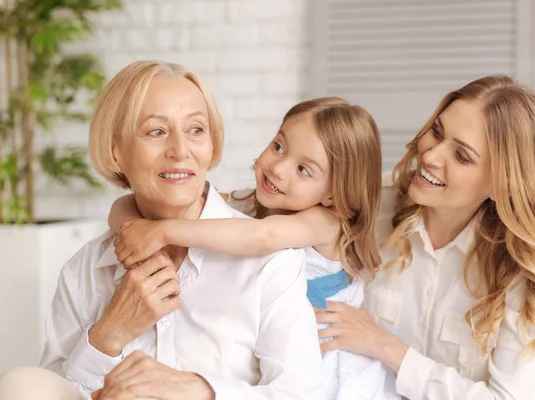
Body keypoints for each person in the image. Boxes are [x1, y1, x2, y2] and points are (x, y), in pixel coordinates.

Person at [0, 60, 324, 400]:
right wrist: (107, 336)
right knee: (21, 385)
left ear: (212, 143)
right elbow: (53, 391)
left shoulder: (270, 263)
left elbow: (302, 394)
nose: (180, 151)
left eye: (196, 130)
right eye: (156, 132)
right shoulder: (85, 270)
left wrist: (199, 390)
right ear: (116, 152)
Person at [108, 97, 399, 399]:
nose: (279, 168)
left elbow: (263, 238)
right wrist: (133, 227)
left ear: (334, 193)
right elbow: (124, 204)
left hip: (332, 367)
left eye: (303, 169)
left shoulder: (326, 222)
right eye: (279, 146)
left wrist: (160, 231)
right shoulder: (243, 204)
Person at [314, 75, 535, 399]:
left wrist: (385, 346)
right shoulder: (372, 205)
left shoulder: (517, 269)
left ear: (502, 185)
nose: (430, 156)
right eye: (437, 132)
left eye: (462, 156)